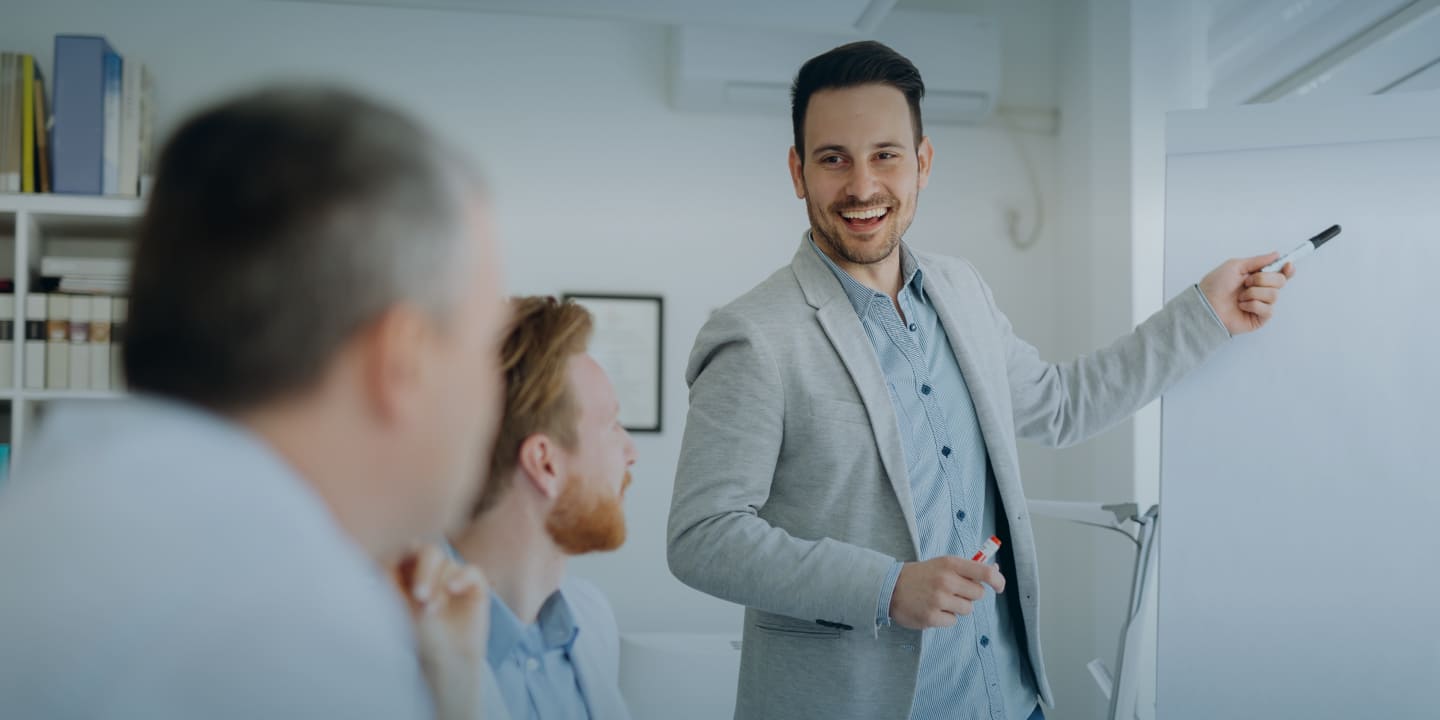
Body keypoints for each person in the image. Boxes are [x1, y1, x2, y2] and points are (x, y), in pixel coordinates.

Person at [666, 41, 1294, 720]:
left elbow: (1060, 406)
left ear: (923, 163)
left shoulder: (962, 291)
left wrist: (1203, 316)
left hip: (1010, 701)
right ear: (798, 171)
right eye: (832, 159)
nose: (862, 186)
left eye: (886, 155)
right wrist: (886, 587)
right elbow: (703, 535)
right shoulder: (756, 334)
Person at [0, 86, 507, 720]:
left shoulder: (62, 506)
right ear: (402, 360)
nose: (494, 391)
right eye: (486, 344)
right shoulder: (292, 625)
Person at [449, 296, 637, 720]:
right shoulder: (387, 646)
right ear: (545, 463)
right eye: (612, 425)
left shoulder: (592, 620)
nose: (631, 451)